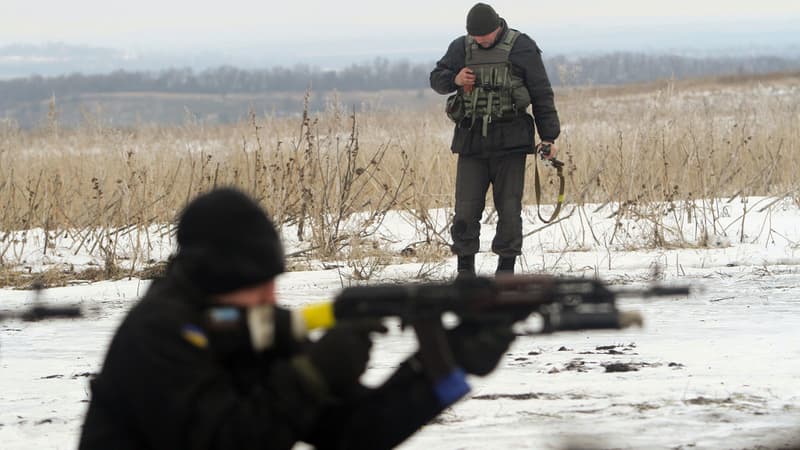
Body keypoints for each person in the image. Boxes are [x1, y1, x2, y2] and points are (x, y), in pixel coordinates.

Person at [78, 187, 515, 450]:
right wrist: (310, 376)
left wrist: (442, 366)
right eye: (257, 283)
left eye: (273, 281)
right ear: (217, 278)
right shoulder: (157, 334)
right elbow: (225, 442)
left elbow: (353, 434)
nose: (272, 297)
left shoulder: (249, 329)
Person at [430, 2, 561, 277]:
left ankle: (506, 271)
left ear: (497, 27)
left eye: (484, 36)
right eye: (476, 37)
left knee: (510, 210)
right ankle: (465, 271)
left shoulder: (522, 46)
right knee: (465, 210)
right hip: (471, 140)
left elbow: (541, 92)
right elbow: (436, 79)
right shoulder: (461, 47)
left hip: (510, 140)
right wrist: (454, 78)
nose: (480, 41)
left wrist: (548, 136)